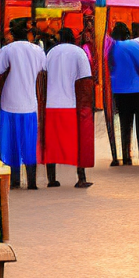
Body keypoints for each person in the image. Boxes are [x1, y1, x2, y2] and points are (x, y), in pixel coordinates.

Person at [0, 23, 47, 189]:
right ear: (28, 34)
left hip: (9, 100)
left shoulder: (7, 49)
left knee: (11, 142)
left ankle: (15, 181)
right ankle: (32, 182)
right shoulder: (38, 50)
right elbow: (44, 69)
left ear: (13, 35)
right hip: (30, 102)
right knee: (29, 141)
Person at [42, 28, 94, 188]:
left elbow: (43, 76)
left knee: (51, 142)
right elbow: (86, 81)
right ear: (73, 38)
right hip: (71, 103)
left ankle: (52, 179)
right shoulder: (79, 53)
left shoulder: (50, 53)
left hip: (51, 104)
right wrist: (86, 106)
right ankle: (81, 177)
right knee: (79, 140)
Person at [107, 22, 139, 166]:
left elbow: (110, 67)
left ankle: (126, 156)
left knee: (124, 124)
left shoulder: (112, 48)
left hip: (120, 91)